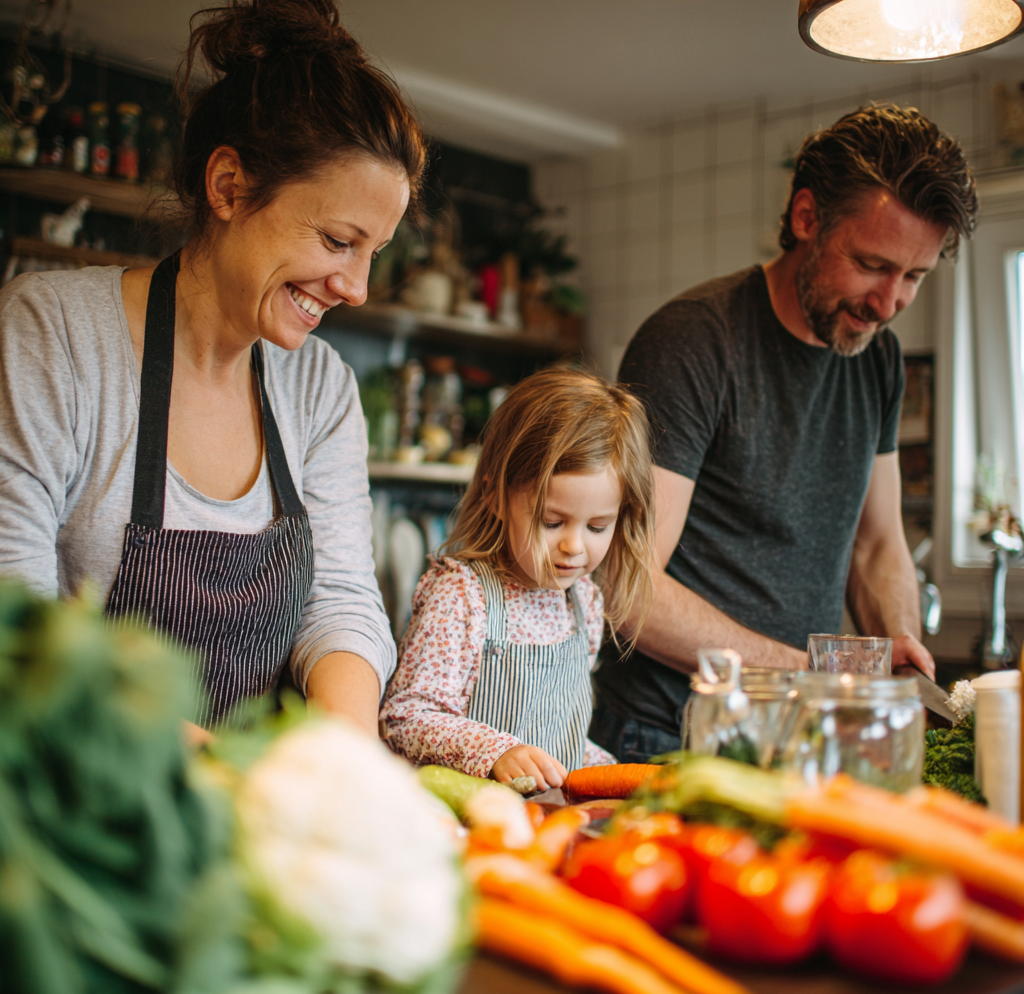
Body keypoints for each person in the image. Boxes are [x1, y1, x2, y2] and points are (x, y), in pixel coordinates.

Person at [0, 0, 425, 733]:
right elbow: (16, 610)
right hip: (82, 786)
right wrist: (173, 756)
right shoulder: (53, 331)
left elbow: (343, 602)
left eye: (372, 254)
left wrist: (341, 758)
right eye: (335, 240)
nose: (355, 288)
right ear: (228, 186)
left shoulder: (320, 390)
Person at [591, 104, 979, 763]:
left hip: (797, 735)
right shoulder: (694, 340)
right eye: (872, 264)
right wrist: (812, 672)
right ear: (807, 219)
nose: (888, 305)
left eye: (914, 276)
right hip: (665, 737)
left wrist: (900, 638)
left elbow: (878, 543)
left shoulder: (877, 359)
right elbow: (626, 585)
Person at [380, 368, 654, 790]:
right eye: (551, 521)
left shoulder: (584, 602)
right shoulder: (461, 596)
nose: (574, 546)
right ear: (496, 496)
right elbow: (405, 717)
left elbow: (561, 739)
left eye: (597, 527)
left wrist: (611, 771)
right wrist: (496, 752)